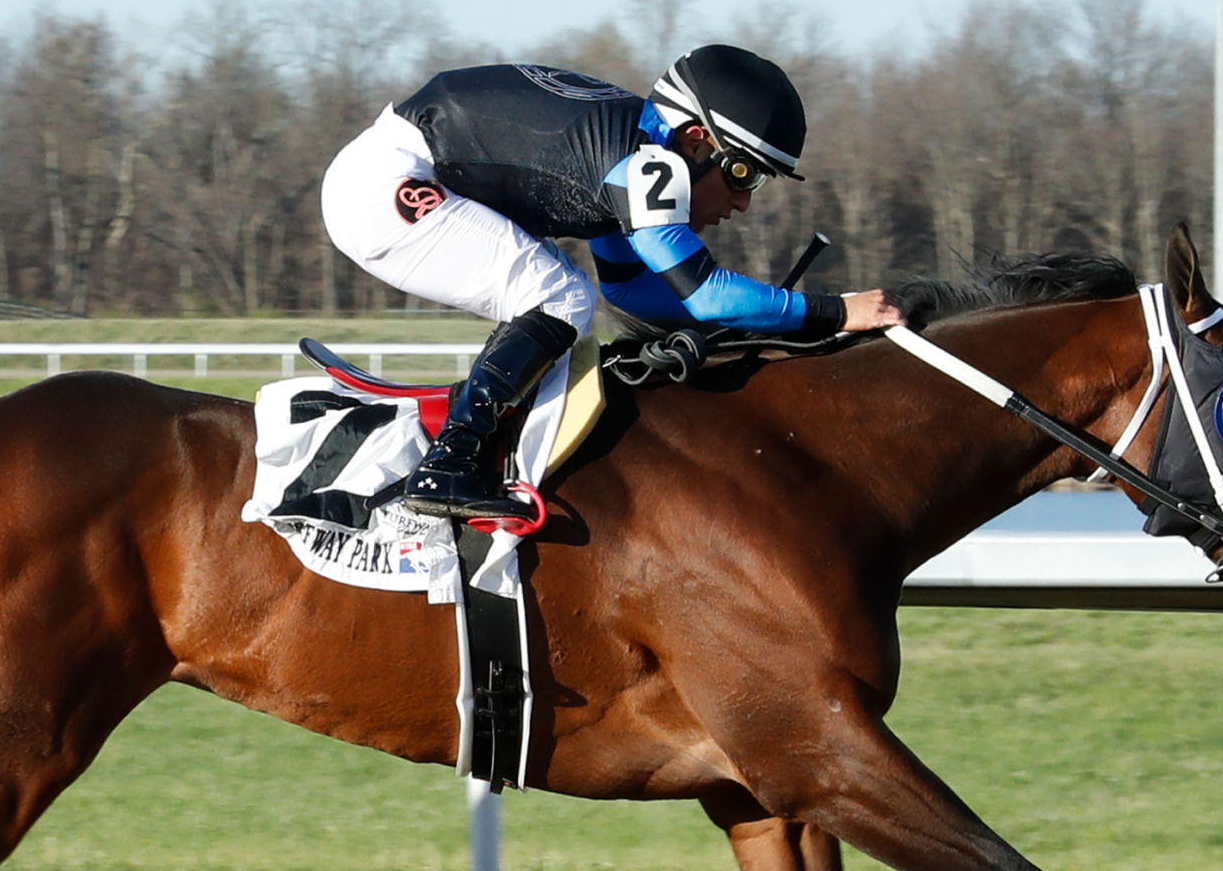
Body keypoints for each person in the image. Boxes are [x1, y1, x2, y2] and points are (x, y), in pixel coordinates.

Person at [322, 45, 904, 518]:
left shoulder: (630, 146)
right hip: (383, 184)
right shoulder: (647, 164)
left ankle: (468, 454)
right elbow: (703, 292)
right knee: (558, 295)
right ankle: (449, 465)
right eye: (742, 173)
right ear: (697, 140)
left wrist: (737, 327)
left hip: (387, 169)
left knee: (566, 296)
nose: (744, 202)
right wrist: (832, 312)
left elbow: (628, 291)